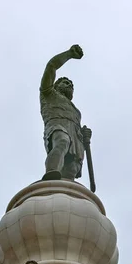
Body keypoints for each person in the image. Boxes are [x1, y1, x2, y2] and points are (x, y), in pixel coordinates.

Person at [40, 45, 92, 181]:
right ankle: (51, 173)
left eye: (71, 84)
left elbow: (79, 132)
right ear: (56, 85)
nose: (69, 85)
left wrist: (84, 135)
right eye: (65, 82)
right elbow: (51, 66)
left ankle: (66, 188)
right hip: (57, 127)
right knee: (62, 142)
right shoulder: (48, 94)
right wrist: (69, 54)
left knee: (72, 167)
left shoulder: (77, 112)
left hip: (74, 136)